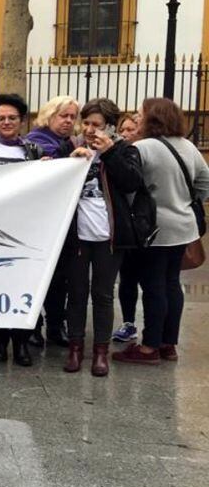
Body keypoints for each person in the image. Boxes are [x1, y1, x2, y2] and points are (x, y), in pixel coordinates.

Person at [114, 98, 209, 365]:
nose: (137, 118)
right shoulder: (188, 146)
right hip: (184, 227)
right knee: (172, 284)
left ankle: (149, 347)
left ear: (152, 118)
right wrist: (186, 202)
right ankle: (169, 344)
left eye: (140, 114)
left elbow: (130, 185)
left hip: (154, 229)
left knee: (153, 286)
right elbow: (205, 182)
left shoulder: (142, 148)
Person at [62, 99, 142, 377]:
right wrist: (69, 164)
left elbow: (131, 182)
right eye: (85, 123)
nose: (89, 129)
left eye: (96, 125)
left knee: (103, 294)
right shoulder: (70, 146)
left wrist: (109, 153)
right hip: (77, 235)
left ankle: (100, 352)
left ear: (109, 126)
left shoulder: (125, 149)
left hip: (109, 236)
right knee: (76, 292)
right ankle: (75, 348)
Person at [0, 93, 43, 366]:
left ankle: (21, 343)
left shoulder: (35, 151)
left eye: (12, 118)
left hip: (26, 232)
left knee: (24, 287)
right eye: (1, 118)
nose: (6, 122)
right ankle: (0, 342)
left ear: (22, 121)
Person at [25, 95, 80, 347]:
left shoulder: (67, 143)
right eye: (63, 115)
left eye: (72, 117)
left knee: (61, 279)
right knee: (38, 277)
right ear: (50, 116)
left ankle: (56, 325)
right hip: (38, 222)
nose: (68, 121)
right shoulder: (36, 141)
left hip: (62, 222)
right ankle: (35, 326)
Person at [113, 112, 143, 344]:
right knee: (128, 277)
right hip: (126, 225)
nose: (125, 134)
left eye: (130, 130)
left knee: (151, 279)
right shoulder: (118, 153)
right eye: (121, 130)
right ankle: (129, 322)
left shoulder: (142, 152)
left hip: (145, 224)